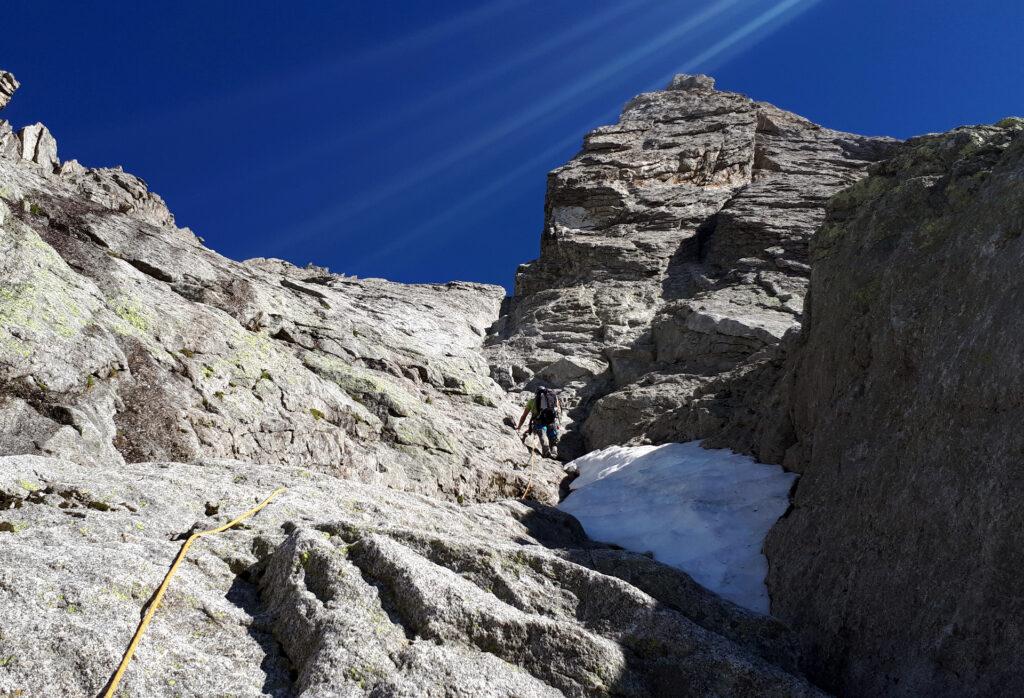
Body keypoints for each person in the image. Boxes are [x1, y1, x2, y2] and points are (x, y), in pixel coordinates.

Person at [517, 386, 560, 458]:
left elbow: (524, 416)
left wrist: (519, 427)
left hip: (539, 422)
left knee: (543, 435)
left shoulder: (531, 401)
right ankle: (554, 451)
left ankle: (546, 452)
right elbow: (557, 410)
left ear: (536, 393)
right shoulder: (552, 398)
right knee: (552, 436)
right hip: (551, 421)